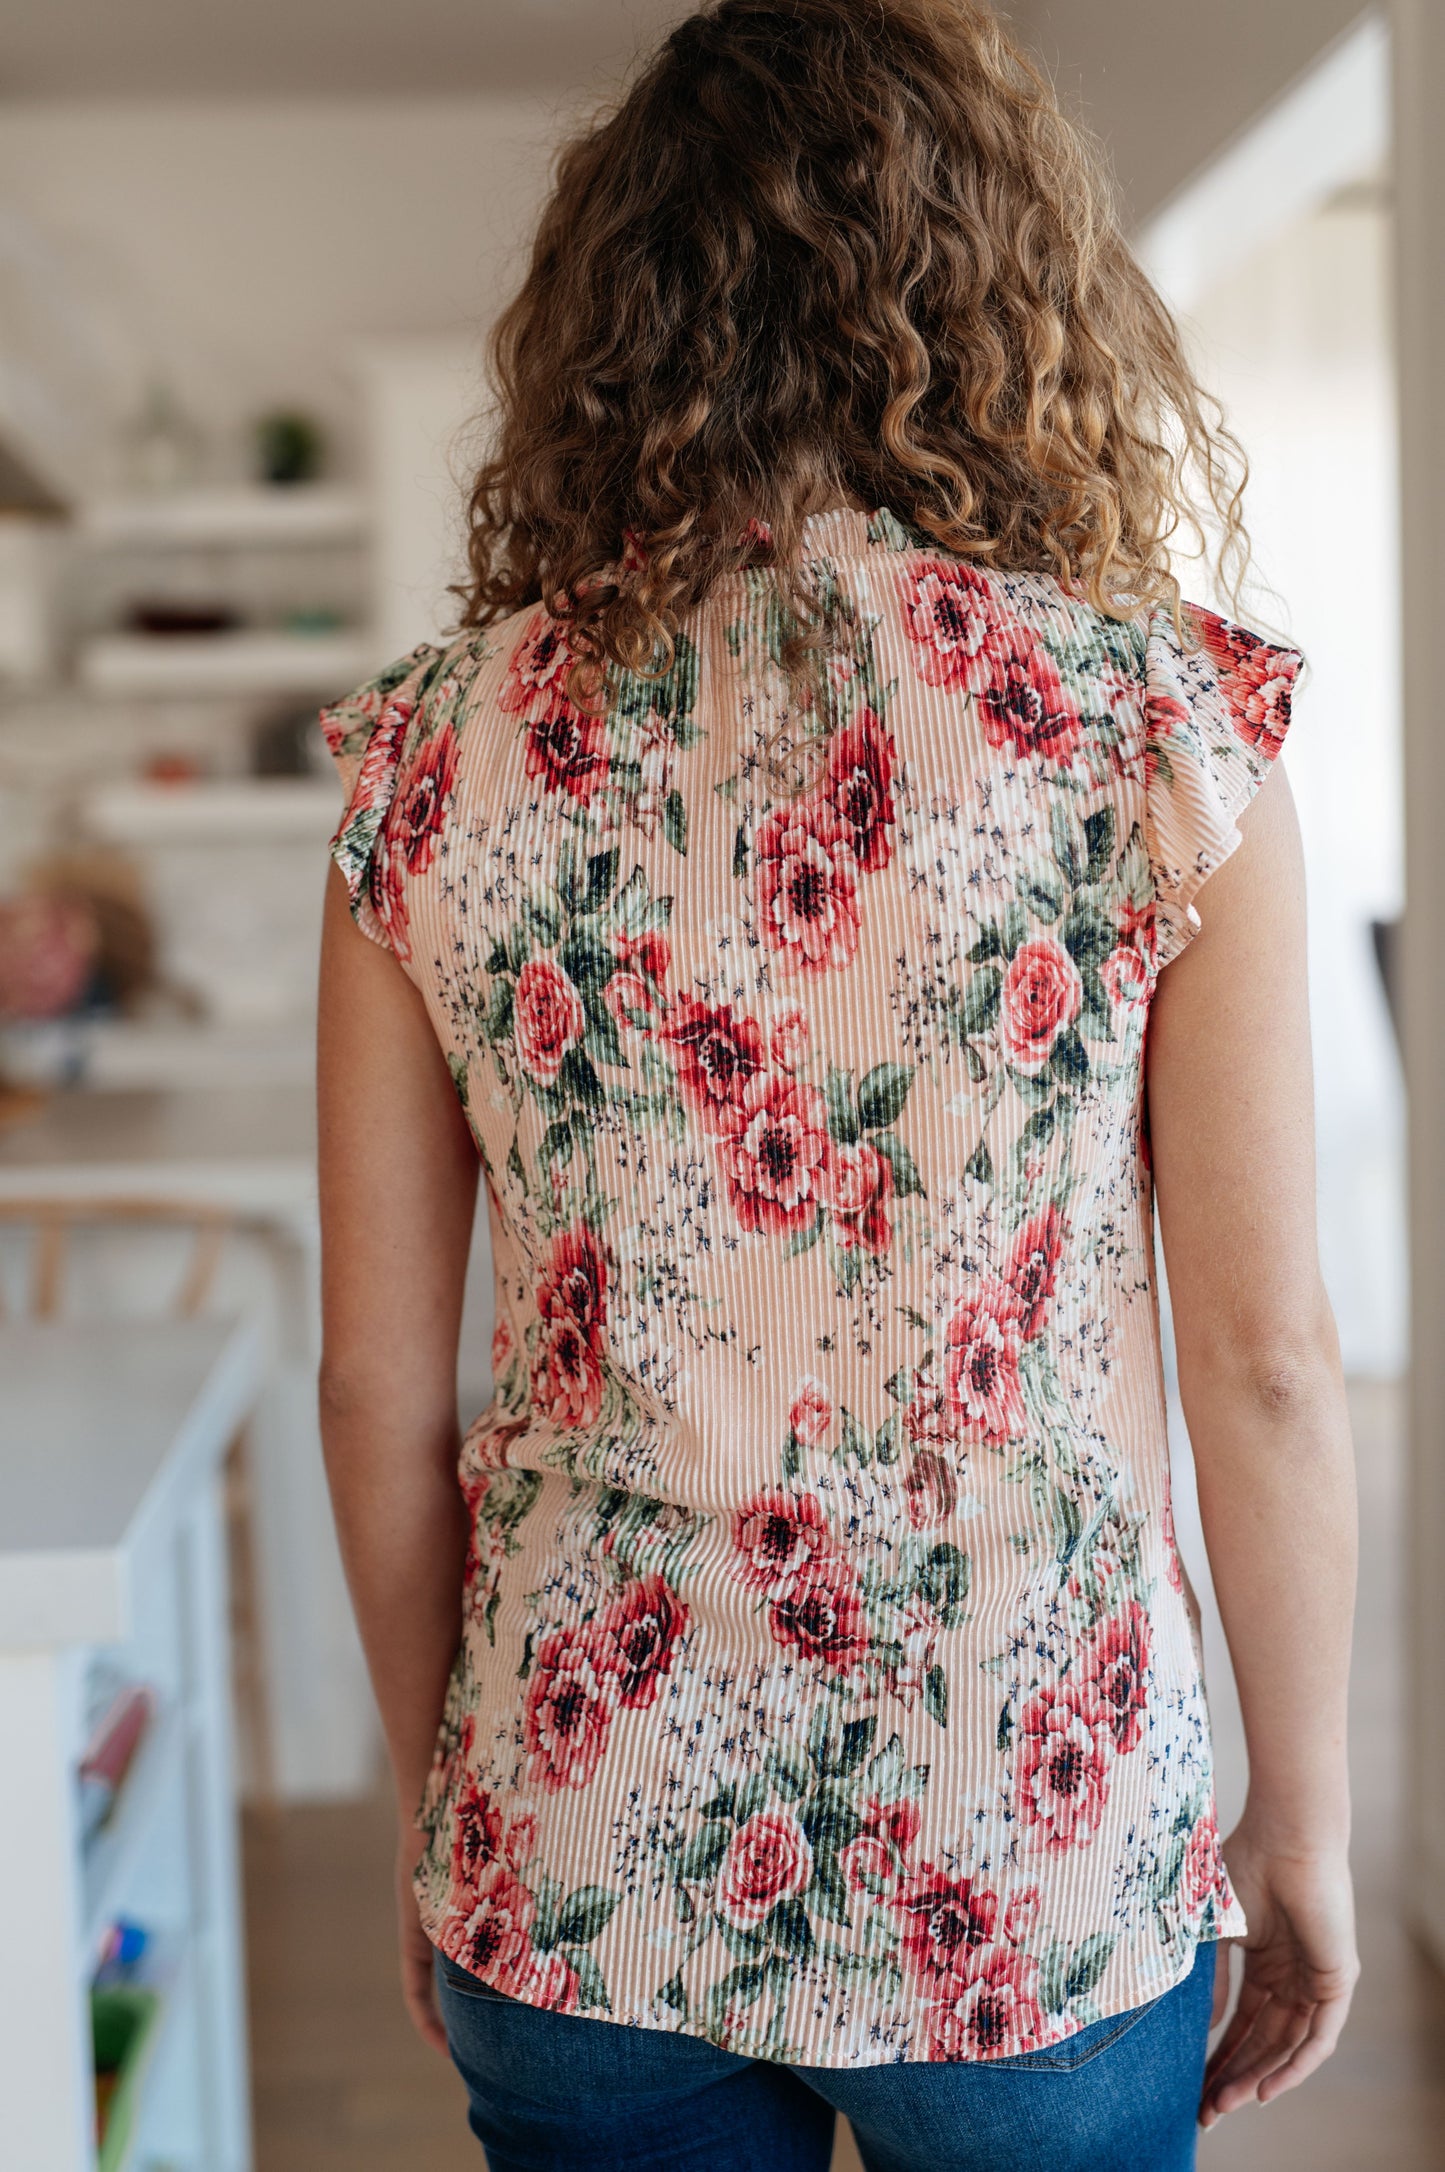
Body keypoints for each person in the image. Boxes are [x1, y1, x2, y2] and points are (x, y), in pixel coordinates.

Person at [315, 3, 1359, 2166]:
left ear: (610, 317)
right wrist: (1309, 1826)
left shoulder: (438, 759)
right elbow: (1266, 1362)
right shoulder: (1151, 737)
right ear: (1000, 296)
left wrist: (455, 1810)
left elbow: (368, 1389)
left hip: (578, 1821)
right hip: (1029, 1857)